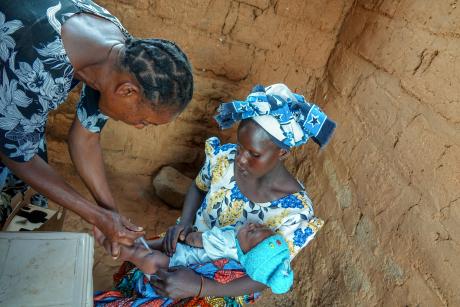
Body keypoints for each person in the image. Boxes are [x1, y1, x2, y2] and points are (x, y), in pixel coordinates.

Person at [94, 83, 335, 306]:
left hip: (223, 285)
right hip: (189, 242)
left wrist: (199, 286)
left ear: (282, 153)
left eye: (254, 154)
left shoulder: (295, 213)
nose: (240, 158)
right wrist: (185, 223)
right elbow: (199, 186)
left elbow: (264, 277)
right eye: (240, 147)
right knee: (145, 271)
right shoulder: (224, 159)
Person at [0, 0, 194, 257]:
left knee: (22, 206)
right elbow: (15, 156)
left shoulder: (123, 57)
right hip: (14, 77)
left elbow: (86, 138)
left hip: (12, 111)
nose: (138, 126)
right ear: (127, 91)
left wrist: (110, 214)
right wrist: (95, 215)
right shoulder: (40, 64)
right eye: (144, 120)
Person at [99, 222, 293, 295]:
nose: (253, 225)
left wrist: (185, 234)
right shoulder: (243, 260)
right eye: (262, 227)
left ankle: (123, 250)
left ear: (247, 253)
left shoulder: (227, 241)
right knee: (150, 253)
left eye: (253, 233)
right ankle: (129, 247)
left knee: (150, 256)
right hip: (189, 265)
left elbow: (195, 239)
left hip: (181, 262)